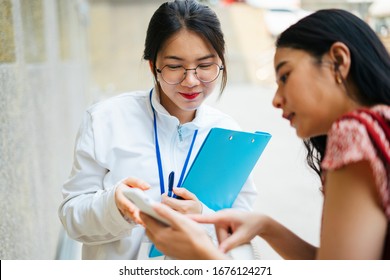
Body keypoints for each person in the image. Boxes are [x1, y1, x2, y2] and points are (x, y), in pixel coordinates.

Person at [141, 9, 390, 260]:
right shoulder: (382, 127)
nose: (276, 100)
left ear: (338, 60)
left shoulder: (356, 134)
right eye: (175, 66)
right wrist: (265, 226)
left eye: (285, 76)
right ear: (154, 67)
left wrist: (203, 254)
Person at [58, 0, 257, 260]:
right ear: (153, 66)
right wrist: (113, 207)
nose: (191, 80)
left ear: (220, 62)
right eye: (175, 66)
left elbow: (242, 225)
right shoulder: (105, 120)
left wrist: (203, 217)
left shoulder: (228, 134)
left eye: (205, 65)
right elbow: (71, 216)